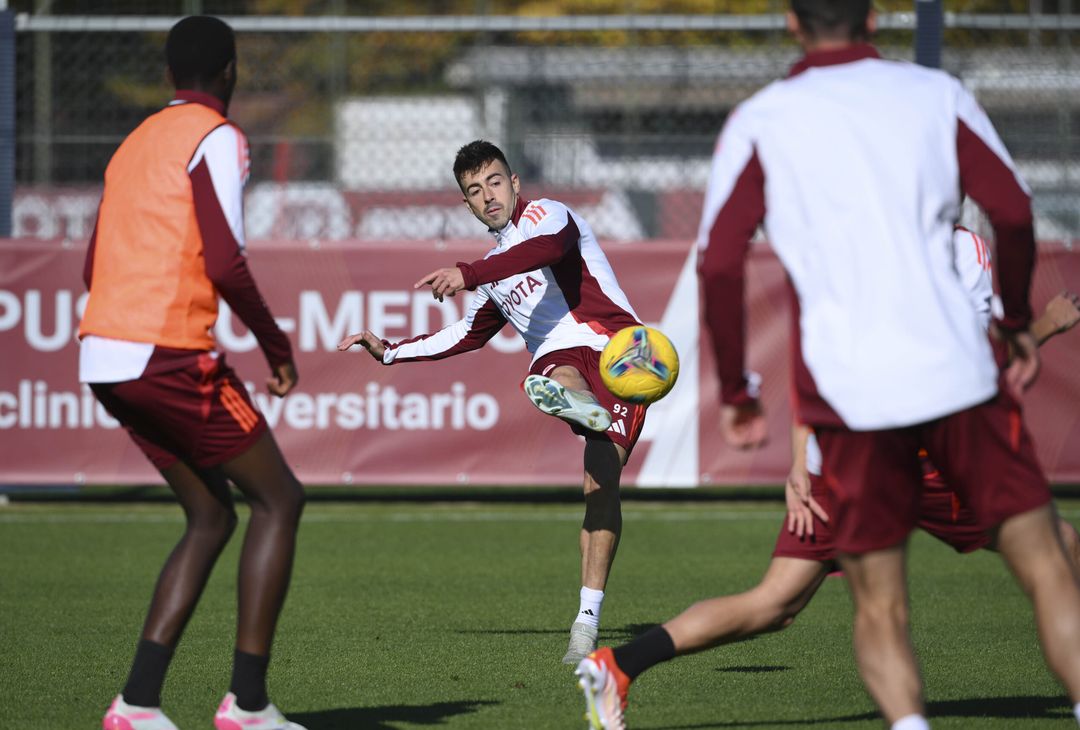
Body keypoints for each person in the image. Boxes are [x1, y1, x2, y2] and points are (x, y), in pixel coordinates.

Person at [576, 1, 1080, 728]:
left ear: (791, 22)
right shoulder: (934, 98)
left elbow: (720, 260)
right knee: (1050, 556)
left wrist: (743, 397)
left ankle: (618, 665)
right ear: (874, 18)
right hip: (944, 403)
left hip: (847, 410)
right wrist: (1029, 325)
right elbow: (1013, 207)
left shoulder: (765, 119)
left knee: (808, 602)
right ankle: (619, 665)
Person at [573, 257, 1080, 730]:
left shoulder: (862, 251)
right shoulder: (951, 250)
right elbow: (977, 363)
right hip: (914, 457)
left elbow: (817, 364)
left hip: (842, 461)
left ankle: (618, 665)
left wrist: (801, 464)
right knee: (1055, 546)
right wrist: (1044, 328)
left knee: (774, 604)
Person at [338, 139, 645, 664]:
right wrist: (388, 352)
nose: (488, 196)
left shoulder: (549, 216)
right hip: (560, 356)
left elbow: (547, 251)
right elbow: (466, 335)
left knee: (601, 487)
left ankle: (584, 416)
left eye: (495, 182)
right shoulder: (493, 274)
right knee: (559, 373)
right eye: (474, 191)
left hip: (621, 351)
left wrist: (471, 273)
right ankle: (585, 626)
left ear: (515, 182)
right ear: (467, 203)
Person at [80, 16, 306, 730]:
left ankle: (137, 704)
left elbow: (91, 264)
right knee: (281, 500)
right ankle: (247, 705)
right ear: (231, 70)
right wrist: (276, 347)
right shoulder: (218, 136)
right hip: (165, 353)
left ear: (170, 74)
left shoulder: (136, 140)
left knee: (211, 514)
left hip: (103, 355)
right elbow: (224, 261)